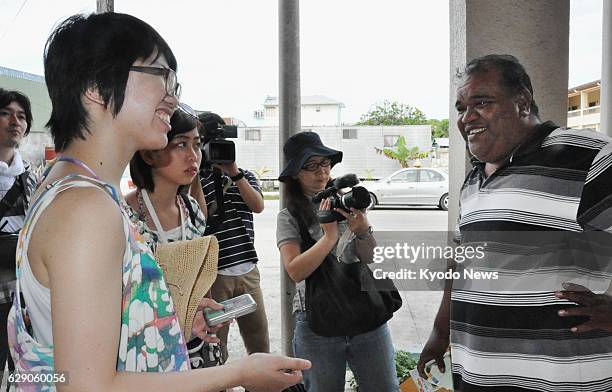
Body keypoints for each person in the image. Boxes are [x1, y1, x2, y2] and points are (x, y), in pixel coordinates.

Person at [8, 12, 309, 391]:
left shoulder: (71, 186)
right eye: (161, 76)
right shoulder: (85, 209)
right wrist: (239, 373)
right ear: (98, 87)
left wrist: (161, 317)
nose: (173, 96)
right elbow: (87, 387)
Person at [416, 54, 612, 391]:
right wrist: (440, 331)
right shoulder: (474, 180)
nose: (467, 118)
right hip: (476, 376)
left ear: (521, 103)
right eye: (461, 107)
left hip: (559, 380)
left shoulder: (590, 158)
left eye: (482, 102)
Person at [276, 132, 399, 392]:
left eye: (325, 164)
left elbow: (372, 259)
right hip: (317, 324)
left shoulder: (345, 202)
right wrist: (329, 236)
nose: (321, 172)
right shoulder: (290, 216)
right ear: (296, 172)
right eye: (311, 166)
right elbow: (295, 270)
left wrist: (363, 230)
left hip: (366, 318)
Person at [126, 106, 225, 369]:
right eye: (181, 145)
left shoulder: (191, 210)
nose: (193, 156)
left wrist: (205, 307)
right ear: (148, 154)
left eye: (197, 145)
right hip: (147, 351)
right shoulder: (124, 216)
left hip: (196, 345)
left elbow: (201, 281)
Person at [194, 112, 270, 363]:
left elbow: (258, 206)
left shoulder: (245, 176)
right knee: (218, 345)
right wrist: (197, 173)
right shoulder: (195, 181)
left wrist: (233, 172)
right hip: (214, 276)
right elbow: (199, 219)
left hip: (248, 271)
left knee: (259, 341)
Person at [0, 89, 37, 383]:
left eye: (22, 116)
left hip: (21, 302)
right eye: (5, 113)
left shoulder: (30, 177)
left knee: (25, 378)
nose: (15, 121)